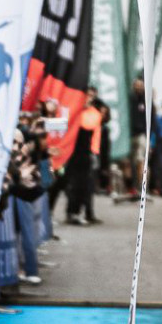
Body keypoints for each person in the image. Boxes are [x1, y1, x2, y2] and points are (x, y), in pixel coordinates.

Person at [65, 89, 104, 225]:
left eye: (91, 97)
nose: (88, 99)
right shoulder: (74, 110)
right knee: (66, 183)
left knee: (82, 184)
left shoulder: (94, 114)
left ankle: (76, 212)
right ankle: (70, 211)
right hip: (70, 152)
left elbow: (94, 133)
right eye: (87, 96)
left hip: (85, 153)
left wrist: (94, 153)